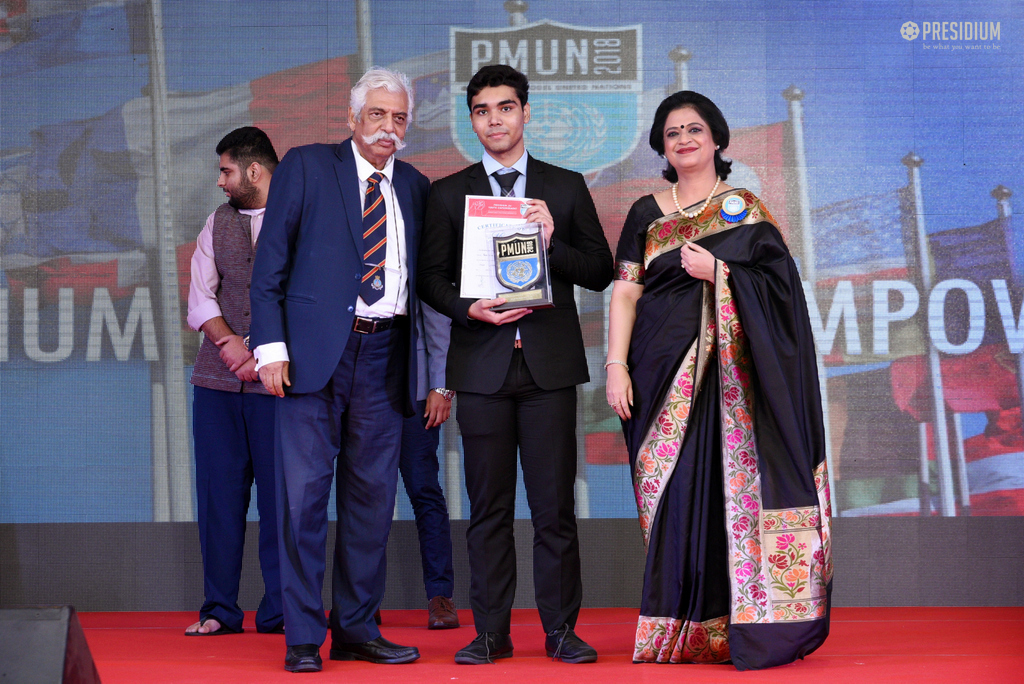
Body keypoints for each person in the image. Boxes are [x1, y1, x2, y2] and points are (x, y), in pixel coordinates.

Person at [605, 91, 833, 670]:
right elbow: (626, 293)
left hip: (736, 390)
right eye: (672, 132)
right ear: (661, 147)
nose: (684, 140)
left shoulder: (745, 209)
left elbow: (784, 292)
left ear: (717, 139)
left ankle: (745, 626)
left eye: (694, 129)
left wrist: (721, 272)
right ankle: (681, 629)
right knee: (673, 496)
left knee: (732, 494)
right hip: (657, 377)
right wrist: (615, 366)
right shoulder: (645, 213)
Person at [418, 64, 613, 665]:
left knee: (554, 511)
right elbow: (429, 279)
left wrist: (553, 241)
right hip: (482, 370)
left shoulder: (565, 186)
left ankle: (560, 632)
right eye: (481, 110)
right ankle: (490, 633)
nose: (494, 120)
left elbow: (600, 271)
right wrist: (467, 308)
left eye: (505, 108)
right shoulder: (448, 193)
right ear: (471, 120)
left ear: (526, 113)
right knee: (488, 512)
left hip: (548, 371)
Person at [249, 67, 430, 673]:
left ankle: (356, 629)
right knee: (301, 503)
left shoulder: (416, 186)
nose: (387, 128)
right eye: (376, 114)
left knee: (372, 505)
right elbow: (269, 267)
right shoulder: (307, 166)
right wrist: (270, 349)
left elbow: (428, 284)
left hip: (386, 358)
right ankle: (303, 637)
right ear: (352, 118)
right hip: (309, 360)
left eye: (398, 117)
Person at [184, 126, 282, 638]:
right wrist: (230, 346)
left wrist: (261, 352)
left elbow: (309, 298)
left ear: (254, 170)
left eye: (225, 171)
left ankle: (281, 611)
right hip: (217, 386)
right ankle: (219, 609)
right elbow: (201, 297)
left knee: (282, 502)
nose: (220, 181)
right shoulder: (216, 221)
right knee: (218, 498)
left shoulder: (302, 217)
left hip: (280, 386)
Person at [399, 301, 460, 630]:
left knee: (424, 491)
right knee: (363, 498)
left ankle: (440, 595)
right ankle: (360, 600)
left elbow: (438, 322)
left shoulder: (418, 263)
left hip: (417, 392)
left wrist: (442, 386)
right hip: (361, 392)